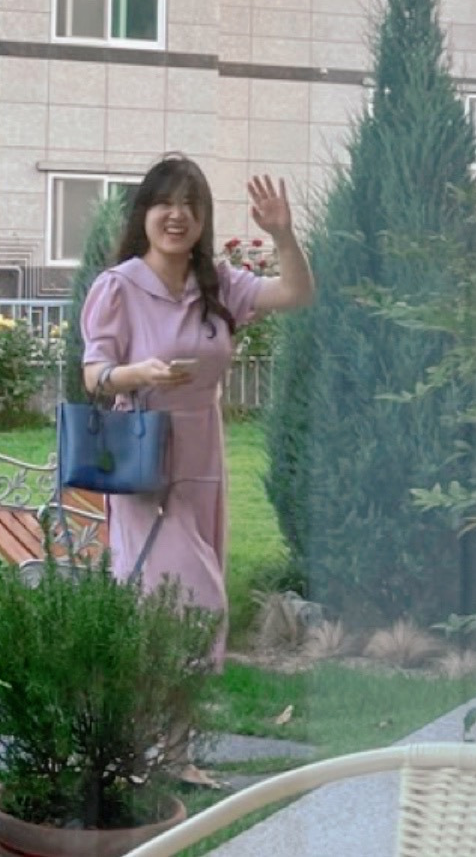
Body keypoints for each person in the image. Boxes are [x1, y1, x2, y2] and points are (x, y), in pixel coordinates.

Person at [80, 153, 314, 672]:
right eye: (164, 203)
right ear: (144, 213)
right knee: (186, 592)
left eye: (190, 205)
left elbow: (297, 293)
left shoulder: (218, 284)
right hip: (142, 457)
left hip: (203, 455)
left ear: (203, 219)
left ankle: (170, 719)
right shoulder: (119, 286)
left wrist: (282, 234)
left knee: (184, 592)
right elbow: (93, 374)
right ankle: (162, 710)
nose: (177, 215)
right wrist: (139, 373)